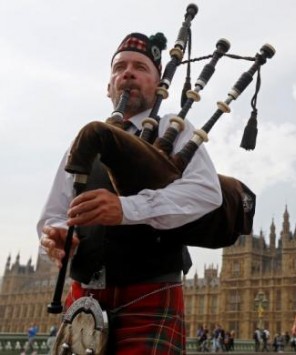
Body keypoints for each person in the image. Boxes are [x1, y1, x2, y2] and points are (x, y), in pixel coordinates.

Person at [37, 32, 222, 354]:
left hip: (149, 292)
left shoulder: (172, 129)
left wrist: (126, 208)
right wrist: (57, 238)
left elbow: (207, 192)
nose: (128, 72)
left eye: (140, 67)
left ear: (158, 84)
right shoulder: (82, 143)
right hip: (83, 297)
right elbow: (54, 214)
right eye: (120, 67)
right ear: (109, 85)